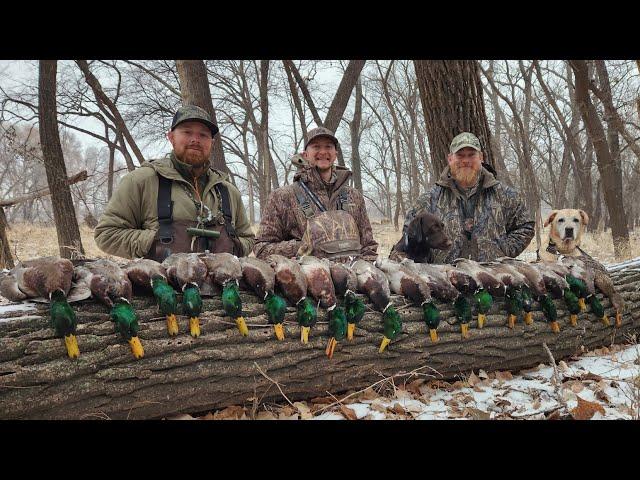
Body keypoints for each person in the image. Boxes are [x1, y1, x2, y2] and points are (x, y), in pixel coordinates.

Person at [95, 105, 254, 261]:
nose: (195, 140)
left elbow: (248, 238)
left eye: (203, 135)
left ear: (211, 142)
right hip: (158, 285)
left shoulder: (228, 191)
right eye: (187, 132)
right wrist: (154, 239)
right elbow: (106, 234)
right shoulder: (141, 181)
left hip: (224, 285)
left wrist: (233, 245)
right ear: (171, 137)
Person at [390, 131, 534, 263]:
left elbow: (526, 226)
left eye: (471, 155)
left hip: (493, 280)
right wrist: (426, 260)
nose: (466, 160)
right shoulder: (428, 200)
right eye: (460, 155)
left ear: (481, 158)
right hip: (445, 281)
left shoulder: (505, 195)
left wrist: (504, 250)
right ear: (450, 159)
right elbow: (409, 238)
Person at [254, 127, 378, 262]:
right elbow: (261, 249)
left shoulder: (353, 196)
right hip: (308, 280)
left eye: (328, 146)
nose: (323, 152)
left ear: (335, 153)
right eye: (316, 146)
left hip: (351, 279)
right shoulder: (283, 197)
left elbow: (368, 247)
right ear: (305, 154)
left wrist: (365, 274)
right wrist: (303, 246)